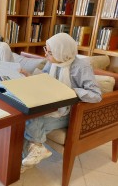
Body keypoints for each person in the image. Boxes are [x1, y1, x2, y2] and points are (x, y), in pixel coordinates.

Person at [20, 33, 102, 173]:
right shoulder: (53, 61)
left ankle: (27, 157)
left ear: (62, 51)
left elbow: (96, 95)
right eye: (46, 50)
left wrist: (70, 91)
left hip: (68, 113)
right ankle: (34, 151)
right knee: (27, 116)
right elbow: (45, 80)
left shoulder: (81, 66)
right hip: (51, 105)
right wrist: (30, 77)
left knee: (29, 121)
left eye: (49, 52)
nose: (46, 55)